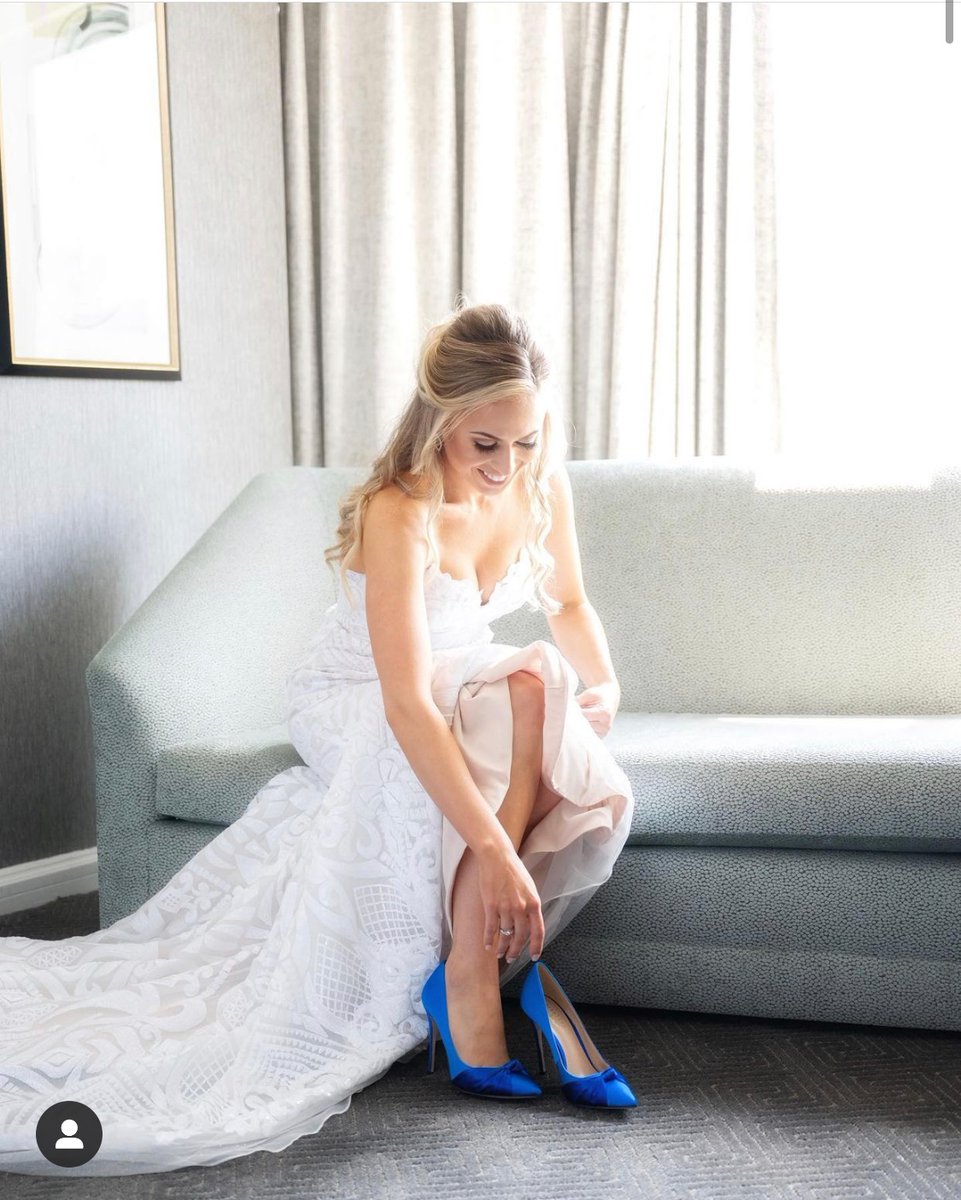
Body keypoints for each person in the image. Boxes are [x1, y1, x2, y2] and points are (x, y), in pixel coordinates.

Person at [0, 300, 634, 1176]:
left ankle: (467, 971)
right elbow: (405, 702)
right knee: (513, 695)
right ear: (442, 419)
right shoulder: (398, 507)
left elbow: (566, 602)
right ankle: (477, 976)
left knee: (537, 682)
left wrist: (606, 683)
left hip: (461, 680)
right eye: (484, 444)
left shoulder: (537, 483)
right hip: (362, 692)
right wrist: (493, 849)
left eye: (524, 443)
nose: (505, 466)